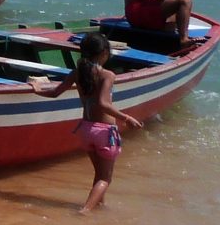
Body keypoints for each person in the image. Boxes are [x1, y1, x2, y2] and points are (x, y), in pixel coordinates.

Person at [31, 32, 142, 214]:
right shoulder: (107, 75)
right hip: (105, 132)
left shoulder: (77, 73)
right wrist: (126, 118)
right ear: (104, 52)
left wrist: (37, 90)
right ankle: (85, 211)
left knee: (99, 174)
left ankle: (99, 206)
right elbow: (103, 103)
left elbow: (55, 93)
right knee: (105, 178)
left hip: (85, 130)